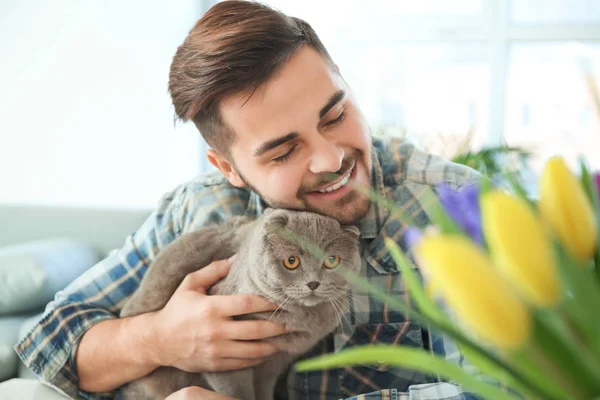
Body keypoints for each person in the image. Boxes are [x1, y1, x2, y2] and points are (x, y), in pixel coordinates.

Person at [15, 1, 486, 399]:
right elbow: (49, 343)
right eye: (284, 151)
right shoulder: (198, 211)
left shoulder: (454, 207)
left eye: (336, 114)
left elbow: (509, 387)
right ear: (228, 169)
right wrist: (159, 340)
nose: (331, 158)